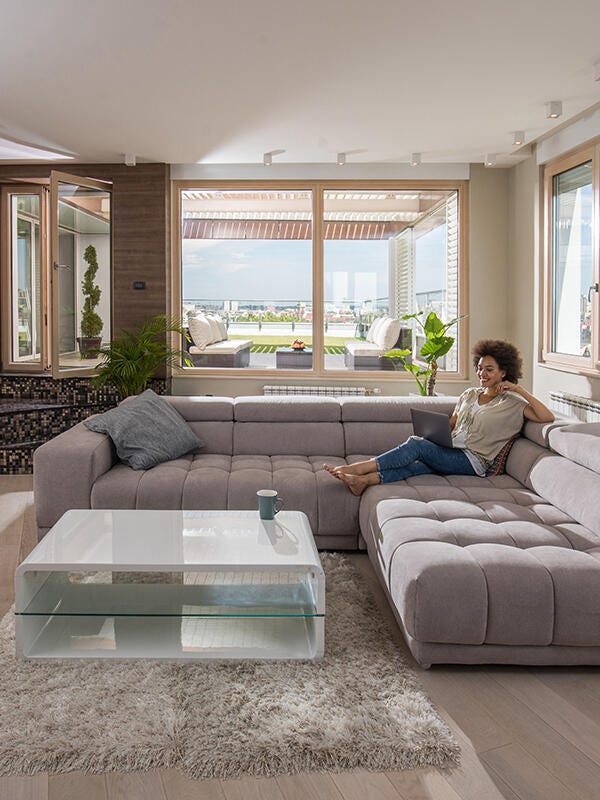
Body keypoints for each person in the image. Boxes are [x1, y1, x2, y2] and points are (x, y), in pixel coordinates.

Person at [324, 338, 555, 496]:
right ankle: (364, 481)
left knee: (416, 446)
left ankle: (358, 469)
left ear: (504, 372)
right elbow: (453, 423)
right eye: (480, 368)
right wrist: (434, 431)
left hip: (474, 461)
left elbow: (546, 417)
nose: (481, 374)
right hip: (452, 449)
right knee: (418, 464)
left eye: (489, 370)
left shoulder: (513, 404)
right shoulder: (469, 394)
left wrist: (520, 390)